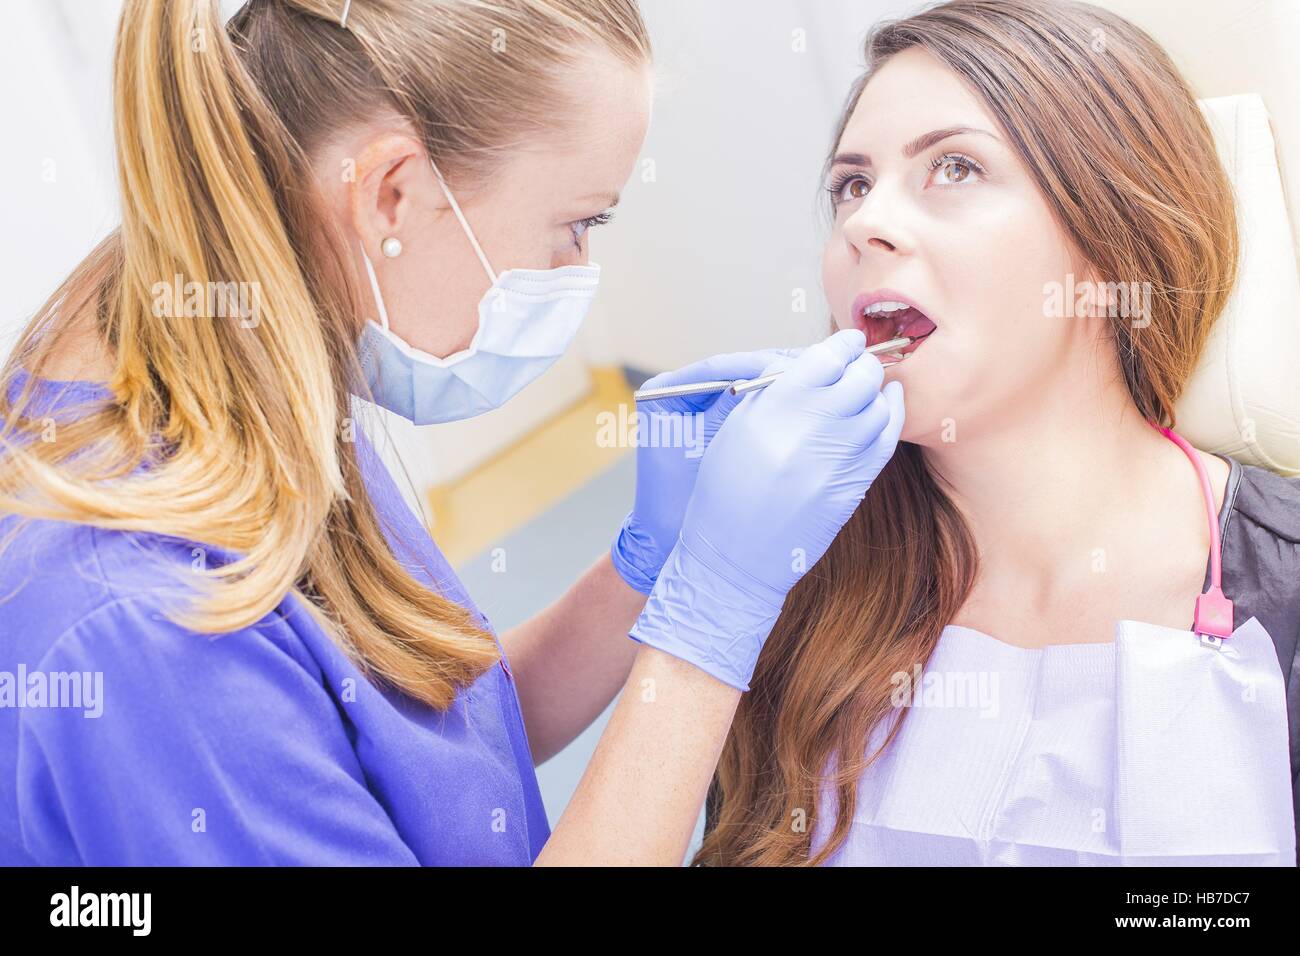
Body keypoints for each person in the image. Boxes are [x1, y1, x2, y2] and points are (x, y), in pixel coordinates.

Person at [0, 0, 903, 865]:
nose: (579, 269)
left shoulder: (253, 356)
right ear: (391, 192)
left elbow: (427, 752)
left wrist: (645, 569)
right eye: (577, 223)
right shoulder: (145, 631)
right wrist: (714, 614)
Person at [698, 0, 1300, 867]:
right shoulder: (791, 581)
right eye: (852, 184)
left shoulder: (1283, 591)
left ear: (1111, 240)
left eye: (954, 167)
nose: (865, 222)